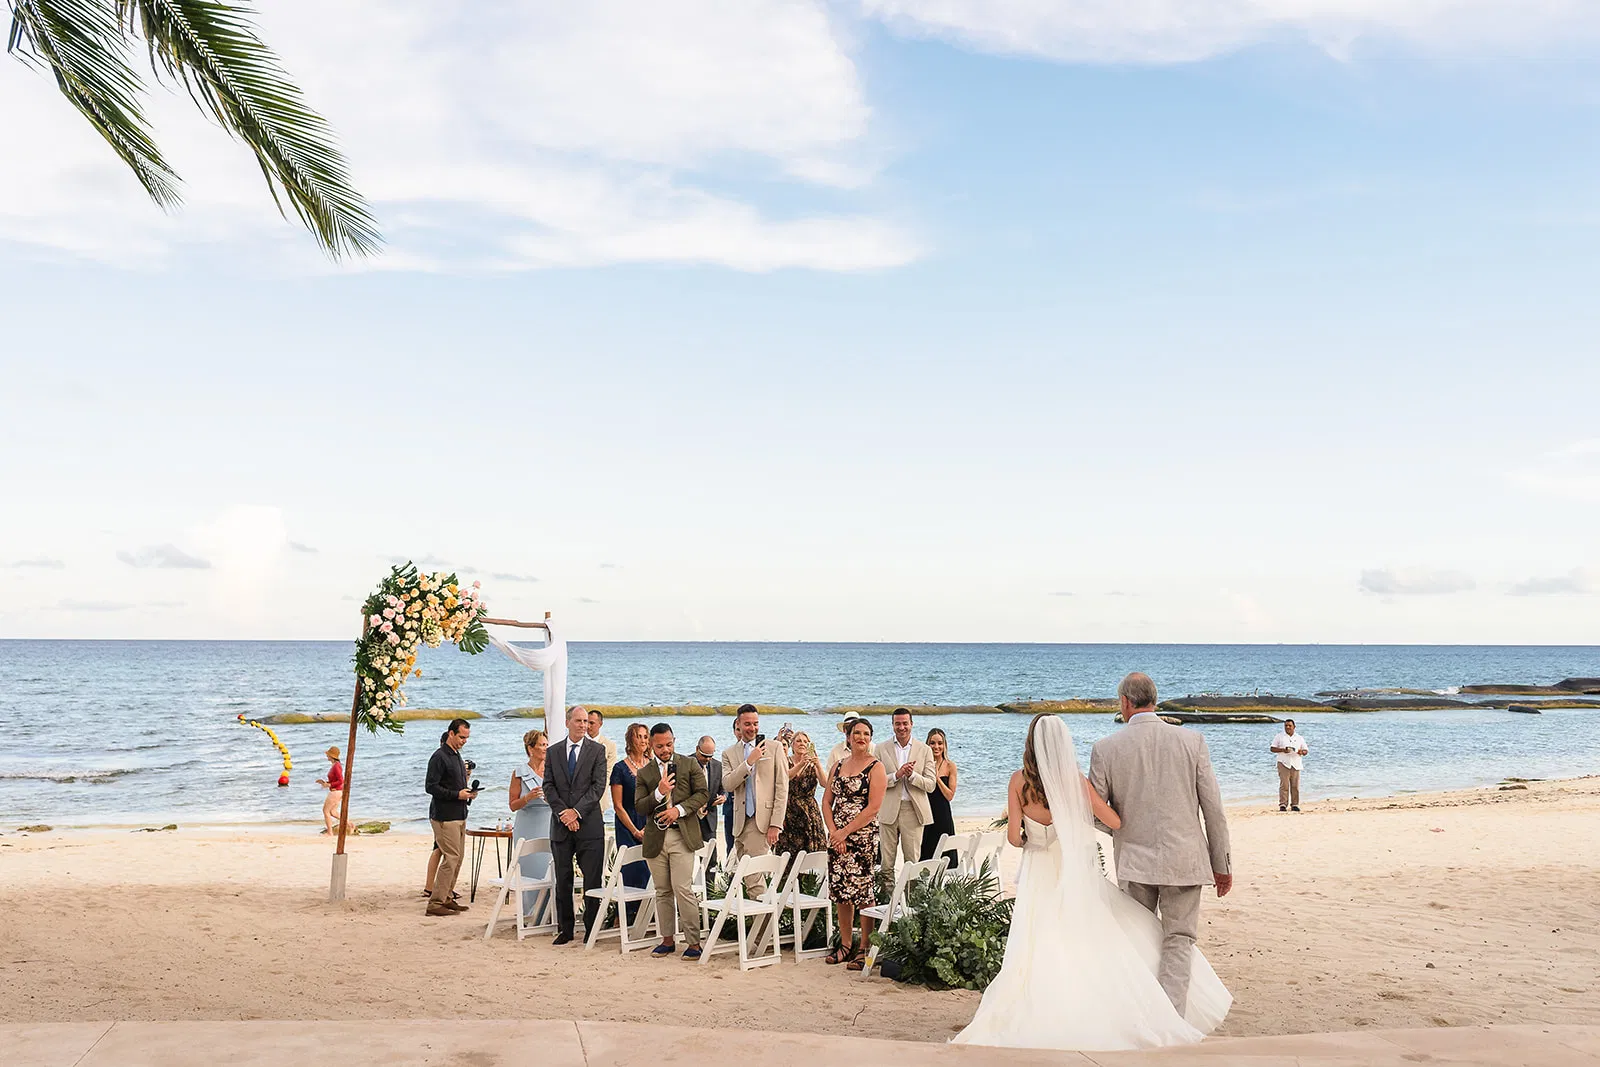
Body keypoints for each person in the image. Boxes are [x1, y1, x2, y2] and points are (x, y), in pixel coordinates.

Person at [953, 713, 1231, 1050]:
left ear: (1030, 743)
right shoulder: (1076, 783)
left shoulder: (1017, 782)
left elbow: (1014, 838)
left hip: (1038, 872)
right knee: (1091, 938)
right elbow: (1113, 819)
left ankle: (1044, 1006)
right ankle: (1142, 1007)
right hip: (1072, 871)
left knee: (1035, 943)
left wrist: (1035, 839)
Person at [1090, 673, 1233, 1018]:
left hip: (1134, 861)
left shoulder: (1105, 748)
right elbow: (1213, 808)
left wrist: (1125, 831)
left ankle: (1142, 1018)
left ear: (1125, 702)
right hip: (1185, 859)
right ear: (1154, 699)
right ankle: (1171, 1021)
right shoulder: (1192, 741)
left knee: (1137, 940)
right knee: (1179, 940)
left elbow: (1095, 815)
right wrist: (1222, 864)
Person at [635, 724, 710, 959]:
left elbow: (703, 793)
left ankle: (693, 944)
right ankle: (667, 941)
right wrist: (659, 792)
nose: (665, 749)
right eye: (660, 746)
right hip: (656, 838)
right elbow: (639, 806)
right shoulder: (644, 773)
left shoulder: (689, 764)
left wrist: (678, 810)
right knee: (662, 891)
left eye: (669, 744)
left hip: (682, 835)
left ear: (674, 740)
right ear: (651, 745)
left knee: (682, 889)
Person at [823, 716, 886, 971]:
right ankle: (846, 945)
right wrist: (834, 832)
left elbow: (873, 808)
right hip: (837, 837)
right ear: (848, 737)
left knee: (862, 892)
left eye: (866, 734)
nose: (861, 738)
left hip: (862, 838)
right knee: (841, 892)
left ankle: (864, 948)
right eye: (857, 733)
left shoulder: (876, 767)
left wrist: (845, 832)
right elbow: (826, 801)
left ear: (870, 739)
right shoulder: (837, 766)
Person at [544, 705, 609, 944]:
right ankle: (566, 929)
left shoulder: (597, 751)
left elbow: (598, 787)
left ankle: (591, 929)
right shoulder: (553, 752)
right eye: (580, 721)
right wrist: (564, 813)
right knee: (563, 878)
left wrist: (576, 813)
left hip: (589, 825)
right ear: (567, 722)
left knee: (592, 880)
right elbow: (548, 787)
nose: (584, 725)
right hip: (561, 826)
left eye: (587, 722)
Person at [720, 704, 789, 903]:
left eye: (756, 723)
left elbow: (782, 788)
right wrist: (749, 762)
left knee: (754, 878)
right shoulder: (729, 753)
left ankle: (763, 928)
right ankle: (764, 924)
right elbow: (728, 784)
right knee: (748, 877)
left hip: (763, 822)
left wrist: (776, 823)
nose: (753, 728)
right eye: (748, 724)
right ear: (738, 725)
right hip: (739, 824)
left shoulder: (774, 748)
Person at [423, 718, 478, 916]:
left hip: (459, 813)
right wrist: (457, 794)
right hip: (445, 816)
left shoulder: (456, 755)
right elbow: (430, 787)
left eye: (467, 738)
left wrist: (468, 792)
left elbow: (454, 784)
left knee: (458, 857)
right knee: (451, 858)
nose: (464, 741)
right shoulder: (439, 757)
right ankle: (435, 902)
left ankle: (446, 897)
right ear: (451, 734)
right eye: (462, 737)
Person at [874, 708, 937, 869]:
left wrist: (912, 776)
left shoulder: (924, 750)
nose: (901, 727)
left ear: (911, 724)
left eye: (905, 724)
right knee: (886, 863)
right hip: (888, 810)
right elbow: (875, 782)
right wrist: (896, 775)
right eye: (897, 724)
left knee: (913, 862)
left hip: (913, 811)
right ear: (892, 725)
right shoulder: (881, 748)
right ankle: (887, 895)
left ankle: (912, 895)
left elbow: (931, 785)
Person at [609, 722, 651, 920]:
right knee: (631, 869)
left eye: (645, 736)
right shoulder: (620, 768)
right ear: (630, 739)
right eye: (638, 736)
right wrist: (635, 831)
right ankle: (625, 916)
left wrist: (649, 826)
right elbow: (618, 806)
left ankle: (647, 915)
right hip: (627, 824)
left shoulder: (653, 766)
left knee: (650, 870)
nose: (642, 740)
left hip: (650, 822)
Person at [508, 729, 551, 917]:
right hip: (527, 824)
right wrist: (528, 797)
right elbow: (512, 805)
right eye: (541, 745)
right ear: (530, 748)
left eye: (546, 745)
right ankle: (528, 914)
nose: (545, 749)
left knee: (548, 868)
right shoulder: (519, 773)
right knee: (529, 871)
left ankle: (547, 913)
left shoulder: (552, 771)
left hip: (549, 822)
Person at [777, 730, 826, 860]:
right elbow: (785, 777)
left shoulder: (812, 764)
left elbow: (825, 783)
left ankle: (810, 879)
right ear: (792, 745)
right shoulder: (785, 761)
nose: (802, 744)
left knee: (810, 851)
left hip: (809, 811)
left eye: (805, 741)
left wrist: (818, 764)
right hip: (789, 810)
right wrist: (801, 764)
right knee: (788, 850)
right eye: (798, 741)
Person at [919, 728, 959, 865]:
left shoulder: (950, 766)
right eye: (932, 743)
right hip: (926, 815)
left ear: (944, 745)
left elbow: (950, 795)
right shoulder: (922, 765)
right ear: (927, 744)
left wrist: (937, 778)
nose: (936, 747)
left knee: (946, 855)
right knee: (925, 854)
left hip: (943, 815)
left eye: (940, 743)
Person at [693, 735, 726, 869]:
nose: (707, 759)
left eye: (710, 756)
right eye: (704, 755)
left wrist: (723, 796)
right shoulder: (686, 763)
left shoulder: (718, 766)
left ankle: (710, 890)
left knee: (711, 860)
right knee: (686, 860)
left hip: (710, 819)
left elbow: (724, 788)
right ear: (697, 749)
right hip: (690, 818)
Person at [1271, 720, 1308, 812]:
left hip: (1296, 763)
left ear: (1294, 727)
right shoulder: (1279, 736)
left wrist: (1301, 752)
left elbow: (1306, 750)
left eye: (1289, 726)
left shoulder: (1299, 738)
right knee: (1284, 785)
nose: (1287, 727)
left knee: (1295, 785)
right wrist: (1283, 750)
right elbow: (1272, 748)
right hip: (1283, 763)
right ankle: (1283, 804)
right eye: (1286, 726)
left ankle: (1295, 804)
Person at [587, 708, 618, 812]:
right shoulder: (580, 743)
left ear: (600, 724)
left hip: (600, 796)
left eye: (591, 723)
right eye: (586, 722)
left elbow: (608, 772)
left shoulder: (610, 745)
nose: (588, 726)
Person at [317, 746, 345, 835]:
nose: (327, 756)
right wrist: (325, 783)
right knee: (333, 812)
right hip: (336, 791)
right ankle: (350, 824)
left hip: (336, 791)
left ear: (331, 756)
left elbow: (341, 780)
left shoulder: (336, 766)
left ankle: (330, 832)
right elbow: (335, 780)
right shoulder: (335, 765)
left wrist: (329, 784)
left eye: (328, 755)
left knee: (325, 811)